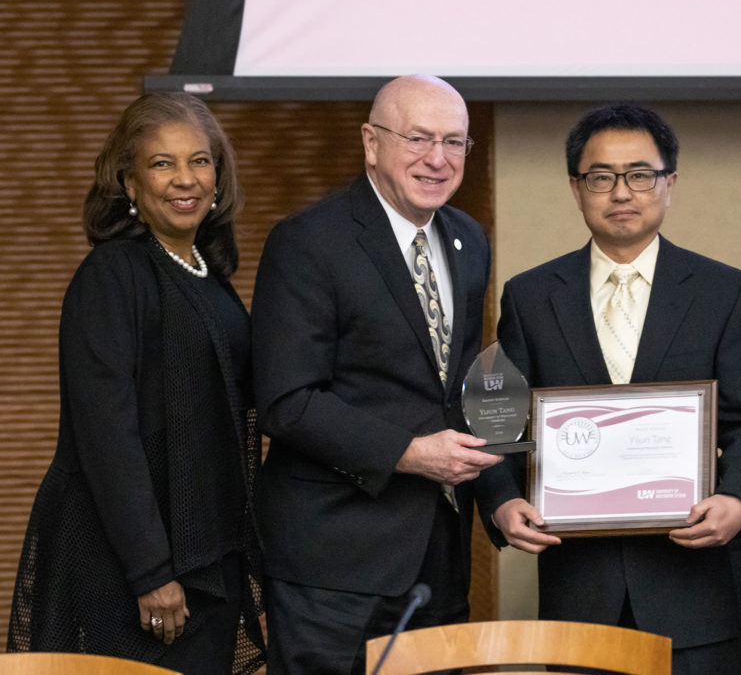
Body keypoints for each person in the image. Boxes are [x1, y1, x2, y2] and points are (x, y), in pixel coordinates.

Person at [475, 104, 741, 674]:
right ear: (575, 187)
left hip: (693, 594)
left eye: (640, 175)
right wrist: (502, 500)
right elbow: (497, 422)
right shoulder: (531, 296)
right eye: (601, 177)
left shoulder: (725, 293)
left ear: (669, 184)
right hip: (578, 594)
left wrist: (738, 502)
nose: (621, 192)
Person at [6, 92, 265, 674]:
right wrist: (152, 573)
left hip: (208, 557)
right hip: (133, 570)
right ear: (128, 182)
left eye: (200, 161)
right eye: (162, 163)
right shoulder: (110, 276)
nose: (185, 179)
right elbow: (107, 436)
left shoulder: (208, 276)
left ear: (218, 175)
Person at [250, 75, 501, 674]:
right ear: (370, 142)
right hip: (333, 564)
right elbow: (287, 401)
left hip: (437, 559)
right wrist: (409, 453)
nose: (437, 159)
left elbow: (456, 388)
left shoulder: (468, 239)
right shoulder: (308, 243)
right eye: (418, 138)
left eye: (455, 142)